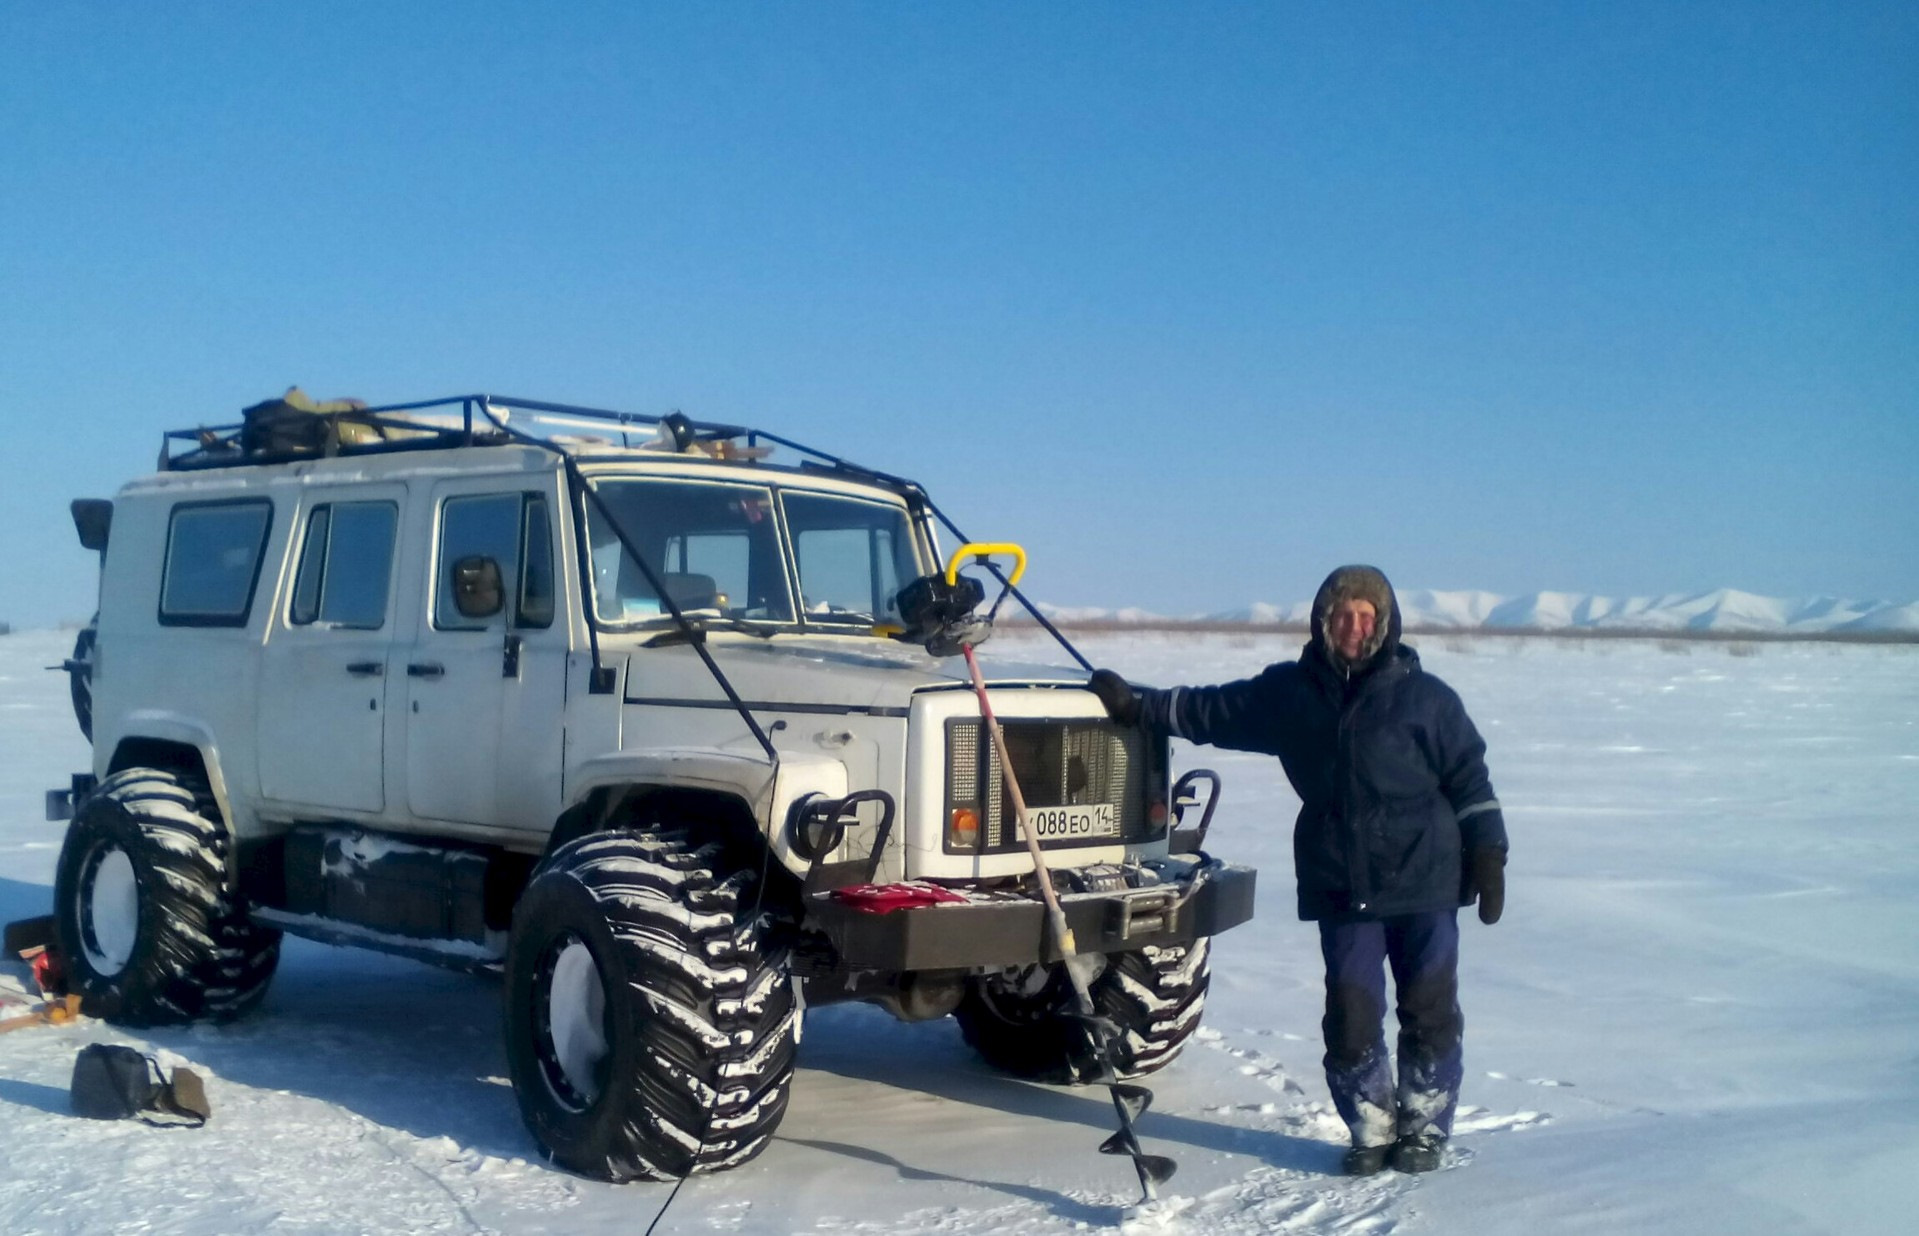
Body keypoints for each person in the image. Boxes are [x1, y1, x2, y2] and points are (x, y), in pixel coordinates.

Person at [1089, 565, 1507, 1176]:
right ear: (1323, 622)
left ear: (1385, 625)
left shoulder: (1427, 698)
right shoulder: (1290, 693)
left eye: (1367, 618)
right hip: (1342, 880)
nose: (1354, 628)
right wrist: (1141, 706)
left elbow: (1470, 777)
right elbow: (1214, 710)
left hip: (1425, 877)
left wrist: (1488, 852)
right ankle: (1371, 1128)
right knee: (1351, 1014)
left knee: (1429, 1006)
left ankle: (1424, 1127)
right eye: (1343, 616)